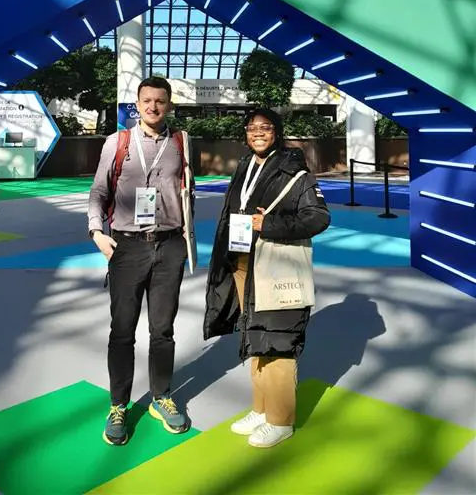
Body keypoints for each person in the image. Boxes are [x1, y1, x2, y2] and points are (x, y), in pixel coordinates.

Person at [204, 108, 330, 449]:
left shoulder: (295, 170)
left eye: (265, 127)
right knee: (256, 335)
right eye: (251, 127)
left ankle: (280, 420)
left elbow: (318, 217)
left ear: (277, 131)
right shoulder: (246, 165)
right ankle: (261, 408)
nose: (257, 132)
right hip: (243, 264)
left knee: (278, 340)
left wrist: (269, 224)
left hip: (275, 265)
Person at [88, 76, 194, 446]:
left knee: (163, 330)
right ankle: (118, 405)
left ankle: (161, 396)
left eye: (160, 101)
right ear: (137, 104)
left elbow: (187, 191)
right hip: (127, 246)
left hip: (169, 246)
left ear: (169, 105)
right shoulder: (116, 142)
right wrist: (96, 232)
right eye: (147, 100)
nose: (153, 107)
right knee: (122, 330)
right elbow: (98, 191)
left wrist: (187, 239)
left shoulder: (181, 142)